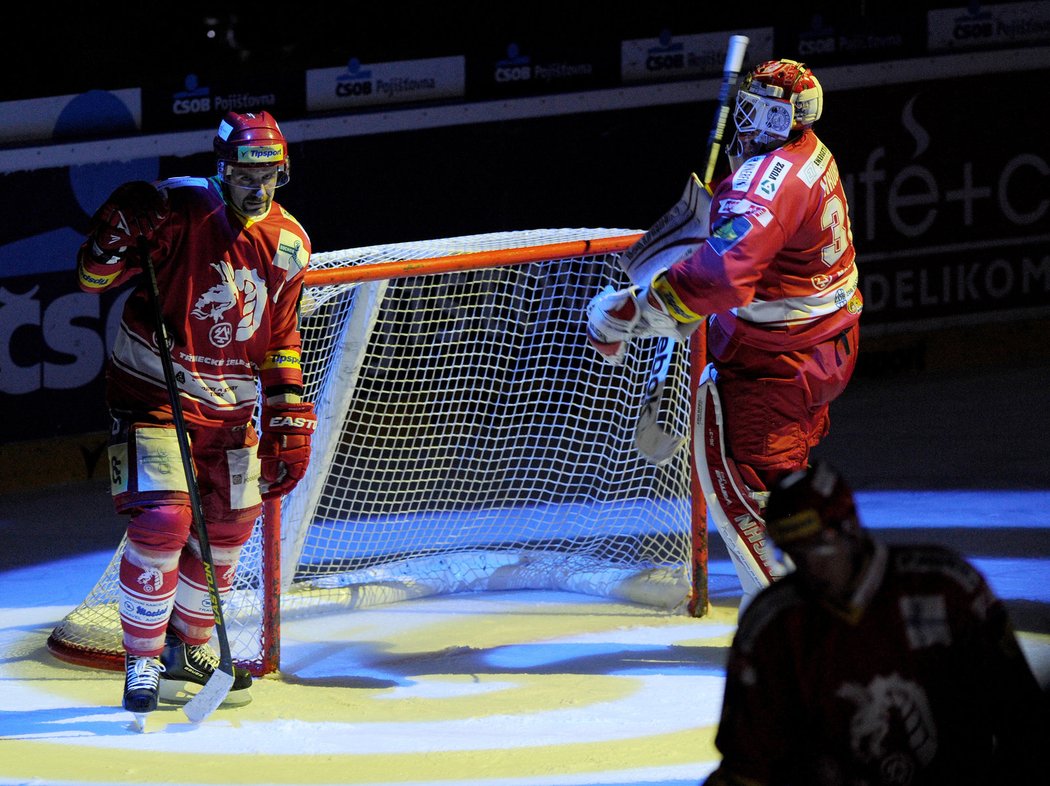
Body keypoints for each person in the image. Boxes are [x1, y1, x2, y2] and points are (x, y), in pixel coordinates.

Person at [586, 59, 862, 606]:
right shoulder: (810, 154)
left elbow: (726, 275)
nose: (743, 114)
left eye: (755, 104)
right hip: (823, 348)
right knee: (787, 487)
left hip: (776, 368)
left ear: (773, 116)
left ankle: (805, 633)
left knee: (747, 496)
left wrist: (634, 312)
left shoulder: (765, 185)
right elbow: (748, 248)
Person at [76, 110, 316, 719]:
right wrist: (109, 237)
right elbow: (92, 278)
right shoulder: (175, 208)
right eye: (243, 173)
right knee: (162, 521)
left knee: (232, 527)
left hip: (231, 412)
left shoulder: (291, 243)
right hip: (153, 396)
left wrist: (288, 420)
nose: (256, 188)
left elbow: (282, 336)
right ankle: (142, 659)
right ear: (222, 167)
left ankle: (191, 648)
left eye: (269, 175)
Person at [701, 461, 1050, 785]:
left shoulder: (947, 589)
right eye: (793, 552)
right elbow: (745, 766)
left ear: (849, 529)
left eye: (817, 546)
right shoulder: (771, 626)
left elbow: (1021, 717)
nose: (807, 566)